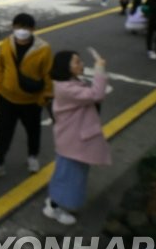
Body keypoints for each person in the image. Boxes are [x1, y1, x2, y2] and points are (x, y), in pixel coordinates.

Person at [44, 49, 111, 225]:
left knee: (69, 174)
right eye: (76, 62)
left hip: (73, 140)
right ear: (65, 67)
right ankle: (55, 207)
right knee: (68, 176)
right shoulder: (66, 88)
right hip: (72, 141)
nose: (81, 64)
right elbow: (97, 94)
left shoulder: (69, 83)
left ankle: (56, 203)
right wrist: (99, 70)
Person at [0, 13, 53, 178]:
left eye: (25, 28)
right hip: (7, 98)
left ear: (33, 29)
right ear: (13, 27)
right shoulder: (7, 44)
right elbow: (0, 66)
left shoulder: (44, 49)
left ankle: (32, 156)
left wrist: (44, 97)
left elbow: (48, 75)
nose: (21, 31)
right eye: (18, 27)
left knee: (33, 130)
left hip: (31, 100)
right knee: (3, 131)